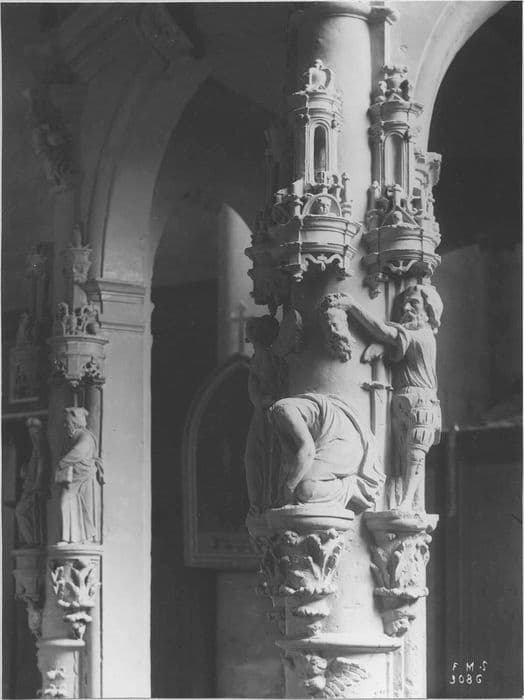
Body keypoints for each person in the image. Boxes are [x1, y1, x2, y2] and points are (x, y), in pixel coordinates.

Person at [335, 284, 443, 510]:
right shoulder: (411, 336)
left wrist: (352, 306)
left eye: (414, 303)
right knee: (403, 459)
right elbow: (392, 344)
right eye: (404, 303)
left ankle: (407, 505)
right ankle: (412, 504)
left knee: (415, 456)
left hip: (421, 402)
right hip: (404, 400)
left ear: (429, 311)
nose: (406, 308)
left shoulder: (423, 335)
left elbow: (384, 332)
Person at [268, 393, 379, 511]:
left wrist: (288, 487)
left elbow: (307, 450)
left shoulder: (282, 411)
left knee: (305, 490)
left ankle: (350, 487)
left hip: (343, 441)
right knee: (298, 485)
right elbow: (290, 457)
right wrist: (285, 489)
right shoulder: (277, 415)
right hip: (330, 438)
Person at [55, 407, 98, 543]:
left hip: (81, 476)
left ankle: (77, 537)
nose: (65, 425)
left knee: (66, 503)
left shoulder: (85, 436)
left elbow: (78, 452)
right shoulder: (73, 437)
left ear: (74, 422)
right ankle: (70, 537)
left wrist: (62, 463)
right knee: (68, 504)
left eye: (67, 422)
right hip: (72, 477)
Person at [15, 418, 49, 545]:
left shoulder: (41, 448)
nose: (33, 436)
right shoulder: (36, 449)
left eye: (35, 433)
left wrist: (38, 482)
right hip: (29, 487)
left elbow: (42, 463)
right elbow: (35, 465)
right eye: (31, 434)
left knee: (21, 512)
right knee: (22, 512)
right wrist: (26, 470)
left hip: (33, 488)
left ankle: (31, 541)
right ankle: (29, 541)